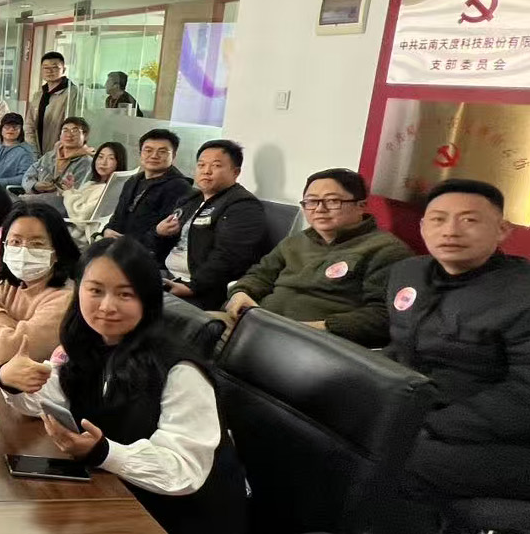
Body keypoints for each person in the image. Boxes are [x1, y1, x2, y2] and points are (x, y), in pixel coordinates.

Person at [0, 237, 248, 534]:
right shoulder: (91, 345)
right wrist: (10, 379)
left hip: (181, 518)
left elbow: (183, 469)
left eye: (125, 294)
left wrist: (104, 452)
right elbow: (46, 398)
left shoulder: (180, 371)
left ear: (148, 299)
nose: (107, 306)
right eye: (95, 290)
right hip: (120, 492)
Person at [387, 179, 530, 516]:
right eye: (438, 219)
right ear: (423, 227)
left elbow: (525, 394)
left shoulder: (521, 293)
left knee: (388, 461)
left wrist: (431, 426)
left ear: (502, 230)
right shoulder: (408, 272)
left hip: (499, 435)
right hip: (418, 410)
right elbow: (398, 347)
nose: (450, 231)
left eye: (469, 220)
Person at [225, 169, 411, 347]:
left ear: (360, 206)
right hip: (260, 325)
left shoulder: (385, 250)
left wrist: (317, 328)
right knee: (207, 327)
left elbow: (383, 315)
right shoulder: (295, 241)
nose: (320, 209)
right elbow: (260, 274)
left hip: (316, 341)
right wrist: (241, 292)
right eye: (312, 201)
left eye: (332, 201)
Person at [0, 202, 79, 363]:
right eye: (16, 242)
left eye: (37, 244)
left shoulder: (65, 299)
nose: (24, 251)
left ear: (58, 251)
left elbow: (7, 351)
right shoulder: (13, 284)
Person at [153, 140, 270, 310]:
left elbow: (229, 257)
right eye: (201, 165)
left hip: (200, 289)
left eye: (216, 165)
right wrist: (159, 233)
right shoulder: (190, 199)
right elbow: (163, 245)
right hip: (167, 275)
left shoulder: (244, 206)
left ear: (235, 172)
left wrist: (193, 287)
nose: (206, 171)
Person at [103, 129, 193, 252]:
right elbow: (117, 217)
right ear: (140, 153)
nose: (154, 156)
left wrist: (127, 243)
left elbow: (167, 236)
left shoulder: (179, 188)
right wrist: (107, 230)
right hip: (120, 249)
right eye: (148, 150)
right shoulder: (133, 181)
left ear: (174, 156)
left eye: (162, 152)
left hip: (146, 255)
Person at [63, 142, 128, 240]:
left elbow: (81, 216)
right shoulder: (93, 183)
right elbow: (81, 201)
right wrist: (71, 189)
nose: (103, 162)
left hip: (79, 235)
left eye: (111, 158)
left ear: (119, 162)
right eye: (100, 157)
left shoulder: (105, 189)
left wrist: (68, 194)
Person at [23, 52, 83, 155]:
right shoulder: (39, 95)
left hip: (62, 152)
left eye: (54, 67)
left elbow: (75, 126)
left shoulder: (72, 93)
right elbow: (29, 124)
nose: (49, 71)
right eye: (45, 68)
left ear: (63, 69)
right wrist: (33, 149)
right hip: (38, 151)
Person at [20, 117, 95, 194]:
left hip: (58, 201)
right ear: (60, 135)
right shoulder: (49, 156)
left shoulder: (87, 162)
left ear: (85, 136)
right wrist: (35, 186)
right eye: (65, 130)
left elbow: (75, 194)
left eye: (75, 131)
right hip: (32, 198)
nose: (69, 135)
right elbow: (27, 176)